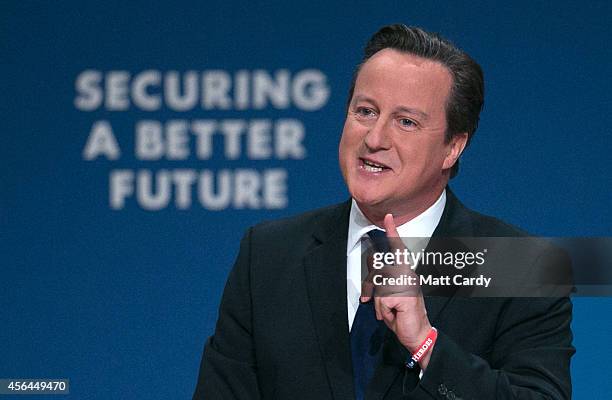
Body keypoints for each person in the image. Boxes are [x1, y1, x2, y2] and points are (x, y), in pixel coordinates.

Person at [193, 24, 574, 399]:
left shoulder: (521, 266)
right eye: (365, 111)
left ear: (453, 147)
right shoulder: (269, 254)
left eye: (406, 122)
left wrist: (427, 344)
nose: (375, 139)